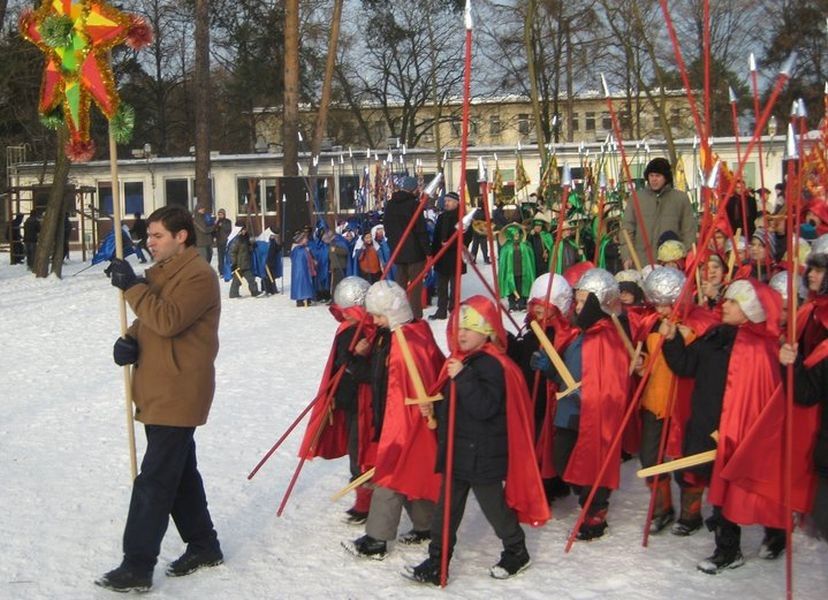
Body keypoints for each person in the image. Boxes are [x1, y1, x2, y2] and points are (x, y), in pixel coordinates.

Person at [96, 205, 222, 593]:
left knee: (154, 480)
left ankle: (137, 564)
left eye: (156, 236)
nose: (148, 243)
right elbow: (149, 322)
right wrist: (130, 340)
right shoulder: (162, 274)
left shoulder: (199, 276)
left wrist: (131, 286)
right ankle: (204, 545)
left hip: (180, 388)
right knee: (180, 474)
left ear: (181, 236)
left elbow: (168, 319)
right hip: (158, 385)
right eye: (149, 236)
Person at [661, 279, 813, 573]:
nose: (724, 305)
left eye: (732, 301)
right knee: (720, 493)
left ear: (749, 310)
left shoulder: (764, 348)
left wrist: (790, 364)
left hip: (745, 432)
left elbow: (778, 395)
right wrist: (671, 341)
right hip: (710, 425)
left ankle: (776, 534)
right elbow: (685, 366)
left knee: (756, 485)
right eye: (726, 300)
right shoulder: (714, 334)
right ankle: (728, 550)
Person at [406, 296, 549, 585]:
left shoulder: (493, 365)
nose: (462, 334)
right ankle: (437, 560)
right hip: (458, 451)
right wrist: (433, 408)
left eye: (470, 328)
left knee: (494, 507)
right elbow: (455, 406)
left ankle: (516, 550)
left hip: (483, 454)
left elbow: (484, 407)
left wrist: (463, 378)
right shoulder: (461, 362)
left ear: (487, 330)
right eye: (459, 328)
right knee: (447, 510)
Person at [342, 280, 443, 560]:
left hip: (407, 418)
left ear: (394, 313)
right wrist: (358, 358)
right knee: (412, 471)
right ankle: (427, 525)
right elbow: (381, 377)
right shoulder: (391, 336)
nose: (373, 321)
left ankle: (377, 538)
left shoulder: (408, 340)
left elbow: (414, 379)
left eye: (378, 316)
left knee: (390, 474)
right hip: (393, 415)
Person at [529, 268, 632, 540]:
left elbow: (611, 385)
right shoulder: (579, 335)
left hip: (591, 415)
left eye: (585, 302)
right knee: (564, 463)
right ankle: (585, 497)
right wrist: (550, 368)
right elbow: (566, 373)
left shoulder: (609, 338)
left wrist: (590, 398)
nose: (578, 306)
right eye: (577, 300)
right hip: (569, 412)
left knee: (593, 462)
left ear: (599, 304)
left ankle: (595, 511)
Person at [634, 267, 718, 535]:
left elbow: (697, 365)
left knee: (687, 461)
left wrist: (681, 335)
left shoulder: (699, 324)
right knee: (650, 459)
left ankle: (690, 515)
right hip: (654, 402)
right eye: (657, 304)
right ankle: (662, 510)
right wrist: (640, 363)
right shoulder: (650, 323)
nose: (661, 310)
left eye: (666, 304)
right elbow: (648, 358)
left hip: (684, 405)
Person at [298, 276, 376, 524]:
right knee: (358, 451)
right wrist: (332, 396)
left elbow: (360, 369)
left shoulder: (366, 331)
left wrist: (356, 359)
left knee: (362, 452)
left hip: (364, 403)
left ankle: (367, 504)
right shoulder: (348, 331)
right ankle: (365, 501)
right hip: (350, 402)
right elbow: (339, 366)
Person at [779, 234, 828, 540]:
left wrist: (793, 364)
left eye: (820, 269)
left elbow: (809, 386)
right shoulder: (810, 309)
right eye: (811, 267)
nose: (810, 273)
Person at [621, 157, 697, 269]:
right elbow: (627, 230)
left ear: (666, 178)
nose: (654, 179)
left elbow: (688, 232)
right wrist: (627, 256)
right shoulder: (636, 199)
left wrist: (683, 259)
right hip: (641, 263)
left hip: (671, 264)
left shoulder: (680, 199)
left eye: (658, 176)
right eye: (651, 175)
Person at [383, 176, 430, 319]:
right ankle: (415, 315)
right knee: (415, 286)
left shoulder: (390, 204)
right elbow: (420, 229)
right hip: (414, 251)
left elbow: (387, 227)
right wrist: (427, 250)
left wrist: (393, 245)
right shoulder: (414, 204)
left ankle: (399, 313)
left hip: (398, 249)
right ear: (413, 189)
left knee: (400, 285)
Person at [429, 192, 471, 320]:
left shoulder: (463, 218)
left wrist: (452, 245)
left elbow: (467, 237)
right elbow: (436, 236)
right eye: (445, 200)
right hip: (442, 257)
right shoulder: (442, 217)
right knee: (441, 286)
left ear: (456, 202)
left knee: (454, 286)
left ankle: (454, 308)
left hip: (455, 256)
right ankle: (441, 309)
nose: (446, 203)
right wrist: (434, 252)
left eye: (449, 201)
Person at [229, 223, 260, 298]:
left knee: (251, 279)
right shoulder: (236, 240)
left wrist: (252, 246)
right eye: (243, 230)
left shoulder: (246, 238)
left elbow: (247, 250)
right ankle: (233, 294)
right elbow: (232, 252)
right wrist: (234, 264)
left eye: (245, 230)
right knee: (237, 281)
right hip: (239, 264)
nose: (244, 231)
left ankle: (255, 292)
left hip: (246, 263)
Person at [290, 230, 316, 307]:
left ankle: (306, 299)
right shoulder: (298, 250)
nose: (307, 240)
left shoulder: (305, 249)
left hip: (304, 270)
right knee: (303, 284)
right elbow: (299, 261)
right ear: (301, 240)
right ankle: (302, 299)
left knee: (305, 284)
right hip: (301, 271)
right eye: (305, 238)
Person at [213, 209, 232, 276]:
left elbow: (229, 229)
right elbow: (214, 231)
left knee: (227, 257)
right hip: (219, 242)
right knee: (220, 258)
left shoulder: (227, 221)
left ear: (224, 214)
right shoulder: (217, 222)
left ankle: (228, 271)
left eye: (221, 214)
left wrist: (222, 225)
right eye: (219, 214)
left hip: (225, 241)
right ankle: (221, 271)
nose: (220, 216)